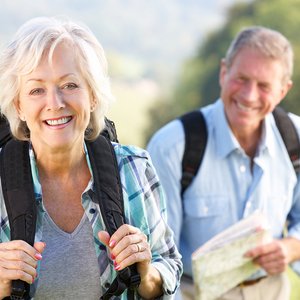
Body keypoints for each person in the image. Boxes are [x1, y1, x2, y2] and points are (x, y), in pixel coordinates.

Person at [0, 16, 182, 299]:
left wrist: (146, 274)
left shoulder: (133, 168)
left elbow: (169, 264)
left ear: (93, 96)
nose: (55, 103)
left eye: (70, 85)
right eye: (37, 90)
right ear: (19, 105)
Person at [147, 26, 300, 300]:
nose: (250, 95)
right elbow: (159, 257)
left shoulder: (296, 139)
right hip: (193, 294)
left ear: (282, 91)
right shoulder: (172, 146)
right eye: (241, 78)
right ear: (223, 72)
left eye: (264, 86)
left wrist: (291, 246)